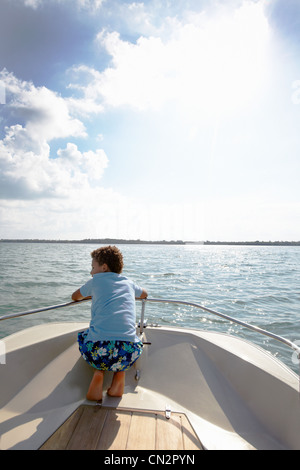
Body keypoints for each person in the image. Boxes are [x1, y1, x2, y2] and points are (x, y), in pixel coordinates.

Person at [72, 245, 148, 402]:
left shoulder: (95, 281)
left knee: (84, 335)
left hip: (98, 350)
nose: (91, 272)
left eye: (93, 267)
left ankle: (98, 373)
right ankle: (119, 377)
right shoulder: (128, 282)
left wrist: (92, 295)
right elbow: (145, 294)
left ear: (104, 267)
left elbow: (75, 297)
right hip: (127, 352)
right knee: (127, 344)